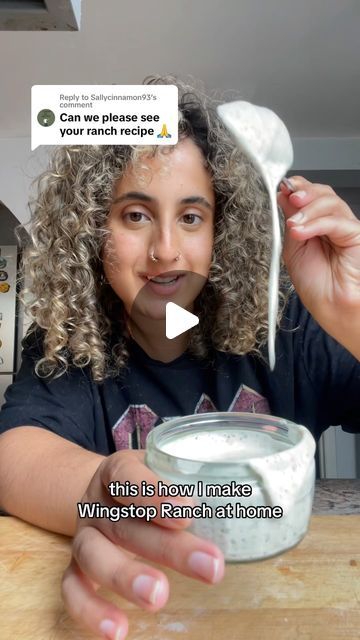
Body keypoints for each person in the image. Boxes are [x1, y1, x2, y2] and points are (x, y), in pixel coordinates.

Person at [0, 74, 359, 640]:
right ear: (95, 230)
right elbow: (15, 455)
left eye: (191, 217)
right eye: (136, 215)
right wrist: (101, 490)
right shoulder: (67, 345)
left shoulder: (285, 330)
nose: (165, 249)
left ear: (222, 231)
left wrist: (354, 314)